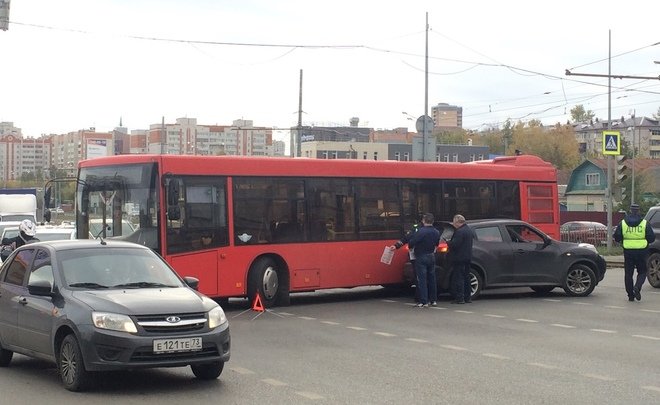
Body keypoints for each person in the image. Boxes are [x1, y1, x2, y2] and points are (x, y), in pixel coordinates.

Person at [392, 213, 440, 308]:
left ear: (423, 220)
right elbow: (436, 244)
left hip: (421, 256)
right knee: (432, 279)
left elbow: (412, 241)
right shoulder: (436, 232)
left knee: (421, 279)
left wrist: (410, 246)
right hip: (431, 256)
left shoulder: (421, 231)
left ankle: (423, 301)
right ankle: (433, 300)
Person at [613, 203, 655, 301]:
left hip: (628, 251)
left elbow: (617, 237)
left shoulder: (623, 223)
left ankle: (630, 295)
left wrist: (624, 240)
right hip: (642, 251)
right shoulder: (644, 223)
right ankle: (637, 287)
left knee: (628, 274)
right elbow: (652, 238)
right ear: (639, 211)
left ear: (630, 211)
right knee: (642, 271)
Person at [446, 214, 474, 304]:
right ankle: (468, 297)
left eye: (454, 222)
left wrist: (449, 243)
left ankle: (460, 298)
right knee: (466, 277)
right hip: (468, 257)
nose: (453, 224)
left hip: (459, 258)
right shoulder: (469, 230)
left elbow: (455, 244)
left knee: (459, 278)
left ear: (458, 222)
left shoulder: (459, 232)